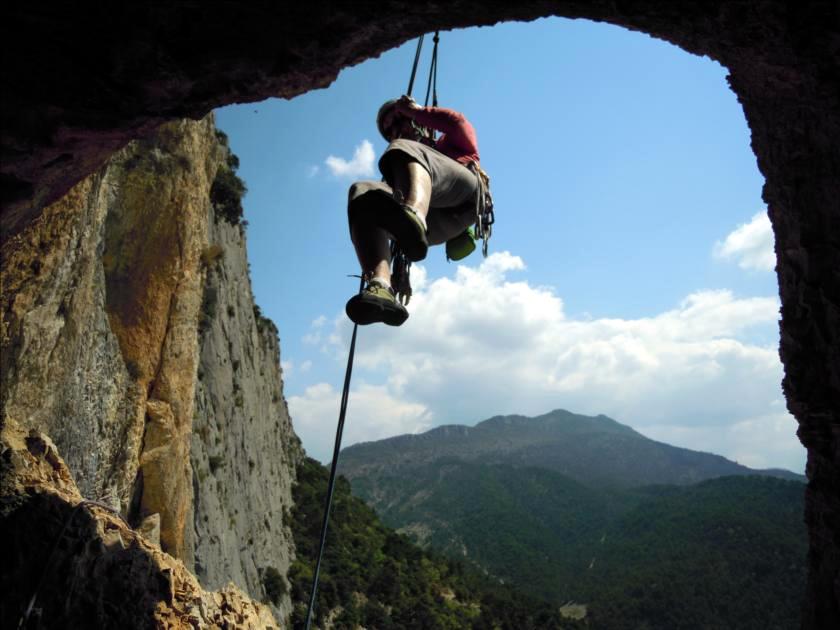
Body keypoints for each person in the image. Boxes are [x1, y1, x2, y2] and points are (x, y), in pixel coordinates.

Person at [345, 95, 482, 326]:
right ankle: (380, 286)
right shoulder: (402, 173)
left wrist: (415, 111)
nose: (396, 129)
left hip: (463, 198)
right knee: (362, 192)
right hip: (434, 224)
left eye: (400, 119)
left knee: (403, 149)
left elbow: (457, 122)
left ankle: (414, 216)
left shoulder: (446, 143)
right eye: (390, 129)